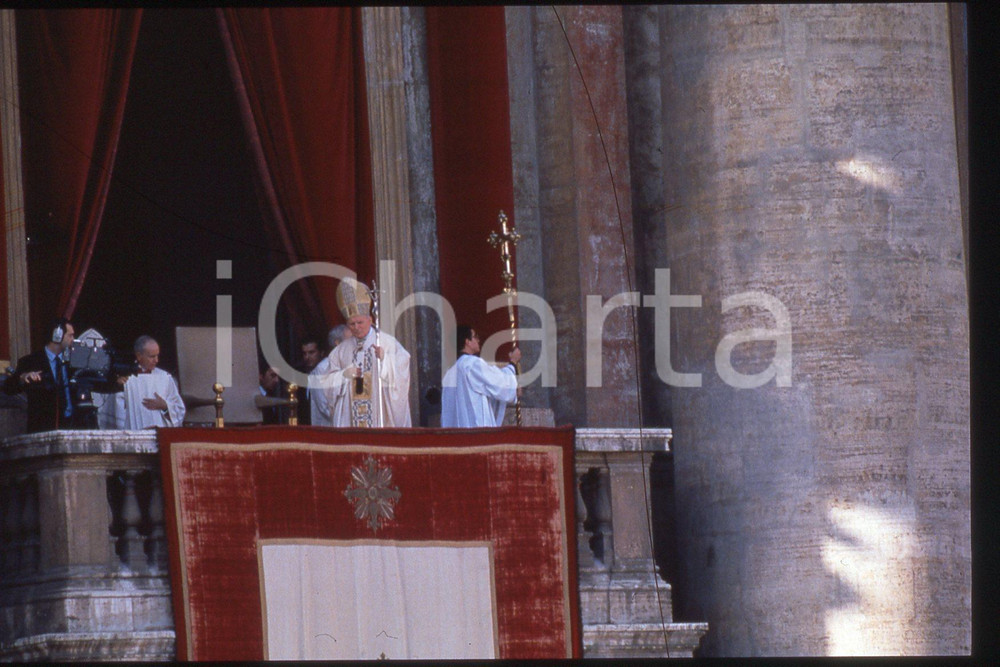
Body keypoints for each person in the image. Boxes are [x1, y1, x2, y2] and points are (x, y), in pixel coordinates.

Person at [321, 278, 411, 427]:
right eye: (352, 324)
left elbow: (403, 366)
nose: (356, 327)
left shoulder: (386, 342)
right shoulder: (340, 351)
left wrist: (385, 360)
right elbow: (327, 383)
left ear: (370, 320)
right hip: (351, 420)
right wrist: (343, 375)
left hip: (379, 417)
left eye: (360, 322)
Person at [3, 318, 77, 433]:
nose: (73, 339)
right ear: (57, 335)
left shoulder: (73, 362)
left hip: (71, 427)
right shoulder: (31, 361)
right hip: (42, 428)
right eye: (70, 335)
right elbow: (8, 388)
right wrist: (22, 378)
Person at [441, 325, 521, 428]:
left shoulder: (449, 373)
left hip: (458, 433)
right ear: (467, 342)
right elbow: (498, 382)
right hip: (476, 432)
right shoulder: (472, 364)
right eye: (475, 337)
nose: (478, 340)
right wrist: (513, 363)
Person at [114, 336, 186, 428]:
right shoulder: (125, 378)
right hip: (134, 433)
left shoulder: (165, 377)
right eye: (152, 356)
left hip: (160, 432)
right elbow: (117, 413)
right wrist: (118, 386)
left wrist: (165, 406)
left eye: (157, 355)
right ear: (139, 356)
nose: (156, 360)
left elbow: (179, 410)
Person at [308, 324, 352, 427]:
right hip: (329, 429)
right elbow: (325, 407)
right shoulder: (321, 369)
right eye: (350, 341)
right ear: (338, 343)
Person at [294, 335, 325, 425]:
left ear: (321, 353)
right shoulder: (301, 375)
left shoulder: (328, 373)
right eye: (305, 353)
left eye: (311, 352)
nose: (307, 357)